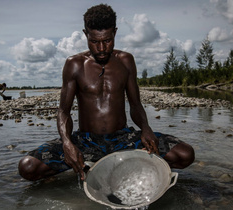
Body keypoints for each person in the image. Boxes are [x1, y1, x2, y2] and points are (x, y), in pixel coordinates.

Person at [18, 4, 194, 181]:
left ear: (115, 33)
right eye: (94, 42)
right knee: (28, 167)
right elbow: (64, 111)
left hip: (123, 139)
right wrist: (67, 143)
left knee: (184, 154)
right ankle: (90, 164)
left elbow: (135, 104)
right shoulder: (74, 64)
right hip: (86, 140)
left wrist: (146, 129)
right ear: (86, 34)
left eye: (107, 40)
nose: (101, 48)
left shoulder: (126, 61)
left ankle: (125, 165)